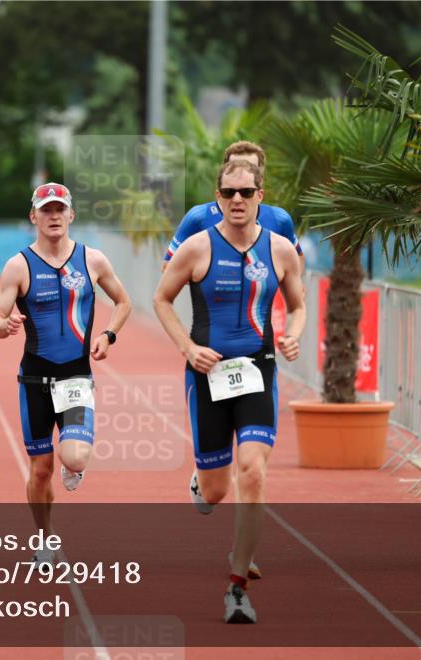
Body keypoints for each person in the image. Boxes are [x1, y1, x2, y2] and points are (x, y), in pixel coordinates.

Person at [153, 159, 306, 623]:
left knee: (254, 471)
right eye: (228, 192)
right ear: (217, 196)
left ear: (261, 196)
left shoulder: (280, 249)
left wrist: (294, 332)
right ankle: (203, 482)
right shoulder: (197, 248)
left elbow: (298, 305)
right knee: (219, 490)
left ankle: (237, 586)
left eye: (245, 192)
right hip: (208, 374)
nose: (236, 200)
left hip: (258, 371)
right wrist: (188, 347)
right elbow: (161, 298)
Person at [0, 182, 131, 563]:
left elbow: (123, 301)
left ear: (71, 215)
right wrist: (6, 325)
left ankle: (74, 463)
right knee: (40, 470)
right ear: (33, 216)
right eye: (46, 210)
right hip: (34, 380)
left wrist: (108, 334)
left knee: (75, 459)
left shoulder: (92, 260)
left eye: (59, 209)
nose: (53, 216)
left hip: (75, 378)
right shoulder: (18, 265)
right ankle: (46, 538)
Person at [162, 141, 304, 273]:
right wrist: (207, 277)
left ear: (261, 179)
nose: (242, 173)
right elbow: (168, 267)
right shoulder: (199, 216)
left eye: (250, 169)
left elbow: (298, 261)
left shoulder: (279, 218)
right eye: (235, 167)